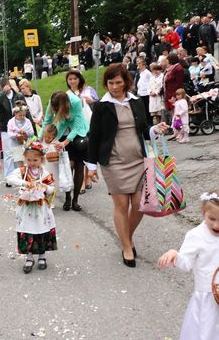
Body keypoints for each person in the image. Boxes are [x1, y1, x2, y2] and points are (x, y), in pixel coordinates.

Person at [87, 63, 168, 268]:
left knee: (141, 204)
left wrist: (155, 129)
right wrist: (91, 166)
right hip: (114, 162)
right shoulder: (101, 106)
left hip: (138, 160)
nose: (114, 86)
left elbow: (143, 129)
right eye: (110, 82)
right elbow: (94, 136)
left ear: (126, 83)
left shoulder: (136, 102)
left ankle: (127, 237)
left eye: (118, 82)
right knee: (121, 206)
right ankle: (126, 247)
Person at [157, 192, 219, 340]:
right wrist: (176, 255)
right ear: (203, 212)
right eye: (212, 219)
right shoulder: (196, 235)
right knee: (206, 331)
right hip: (208, 298)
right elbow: (186, 264)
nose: (217, 225)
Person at [7, 138, 57, 274]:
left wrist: (44, 187)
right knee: (28, 230)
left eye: (35, 160)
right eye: (29, 160)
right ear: (25, 159)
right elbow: (10, 179)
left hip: (41, 208)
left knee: (41, 230)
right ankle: (29, 257)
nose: (32, 163)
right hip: (27, 207)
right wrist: (24, 184)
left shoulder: (44, 173)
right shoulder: (22, 172)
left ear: (41, 160)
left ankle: (42, 256)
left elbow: (52, 188)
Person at [41, 90, 89, 211]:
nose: (56, 111)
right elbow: (46, 121)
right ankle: (68, 197)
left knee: (79, 166)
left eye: (58, 109)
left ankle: (75, 200)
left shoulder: (76, 102)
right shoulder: (52, 103)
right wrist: (39, 139)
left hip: (78, 134)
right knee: (67, 166)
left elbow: (77, 126)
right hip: (61, 133)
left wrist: (65, 143)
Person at [0, 80, 34, 179]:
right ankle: (9, 177)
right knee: (8, 154)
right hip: (5, 128)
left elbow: (25, 110)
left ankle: (19, 175)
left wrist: (31, 124)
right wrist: (3, 93)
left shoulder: (18, 95)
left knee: (19, 153)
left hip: (20, 127)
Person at [6, 101, 34, 168]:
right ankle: (21, 175)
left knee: (27, 161)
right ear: (15, 114)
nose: (22, 117)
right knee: (20, 162)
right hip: (16, 144)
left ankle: (28, 176)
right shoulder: (11, 122)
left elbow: (32, 132)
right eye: (20, 115)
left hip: (26, 144)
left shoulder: (27, 121)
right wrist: (16, 135)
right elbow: (9, 133)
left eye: (24, 115)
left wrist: (25, 133)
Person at [164, 54, 185, 123]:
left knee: (177, 112)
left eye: (167, 59)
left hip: (174, 93)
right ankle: (176, 128)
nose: (166, 61)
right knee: (173, 112)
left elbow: (178, 83)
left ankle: (178, 127)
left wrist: (174, 95)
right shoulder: (172, 68)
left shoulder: (178, 68)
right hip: (169, 92)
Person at [135, 57, 152, 122]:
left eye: (139, 63)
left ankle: (149, 122)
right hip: (140, 93)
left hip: (146, 94)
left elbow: (150, 82)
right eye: (137, 63)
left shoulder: (147, 73)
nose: (138, 65)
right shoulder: (140, 73)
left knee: (147, 109)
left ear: (143, 64)